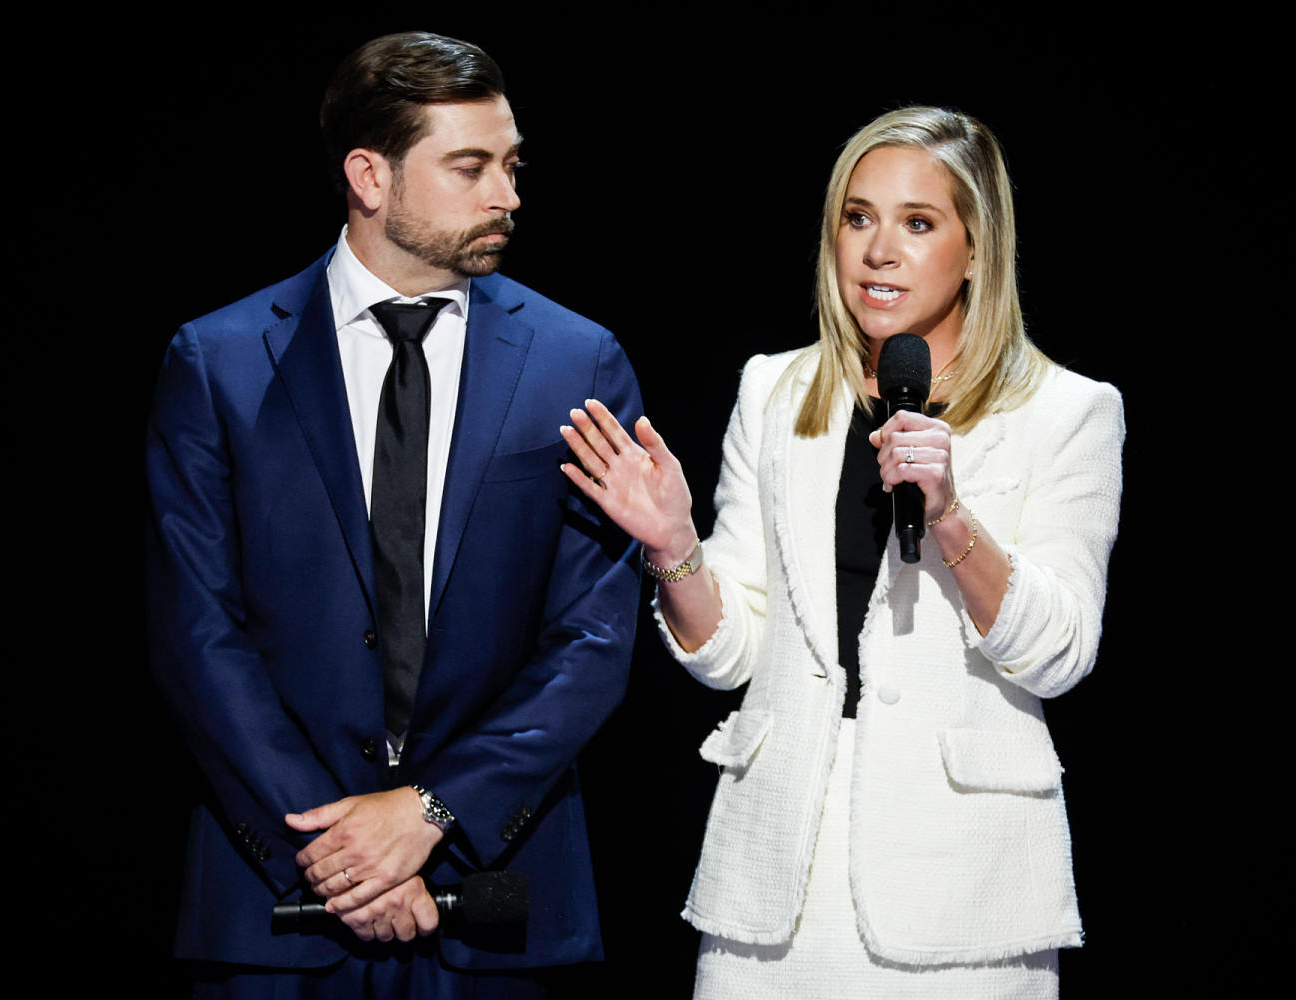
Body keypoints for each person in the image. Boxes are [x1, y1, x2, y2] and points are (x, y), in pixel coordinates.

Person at [561, 107, 1123, 997]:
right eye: (857, 218)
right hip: (777, 873)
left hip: (965, 887)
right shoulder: (778, 391)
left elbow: (1060, 653)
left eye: (918, 223)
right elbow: (733, 651)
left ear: (977, 249)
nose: (878, 251)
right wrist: (674, 546)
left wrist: (950, 516)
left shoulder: (1067, 410)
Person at [146, 32, 642, 997]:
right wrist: (337, 850)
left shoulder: (577, 361)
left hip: (498, 899)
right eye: (471, 167)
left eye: (511, 164)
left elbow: (592, 635)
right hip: (277, 905)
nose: (508, 193)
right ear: (369, 175)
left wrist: (430, 813)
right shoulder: (219, 360)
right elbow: (196, 630)